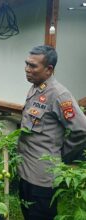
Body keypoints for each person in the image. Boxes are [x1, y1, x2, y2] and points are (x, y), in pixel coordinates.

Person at [17, 45, 86, 220]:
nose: (27, 69)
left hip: (43, 177)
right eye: (26, 64)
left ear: (49, 69)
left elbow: (81, 130)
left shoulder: (59, 94)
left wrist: (63, 156)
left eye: (33, 66)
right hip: (25, 170)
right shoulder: (36, 87)